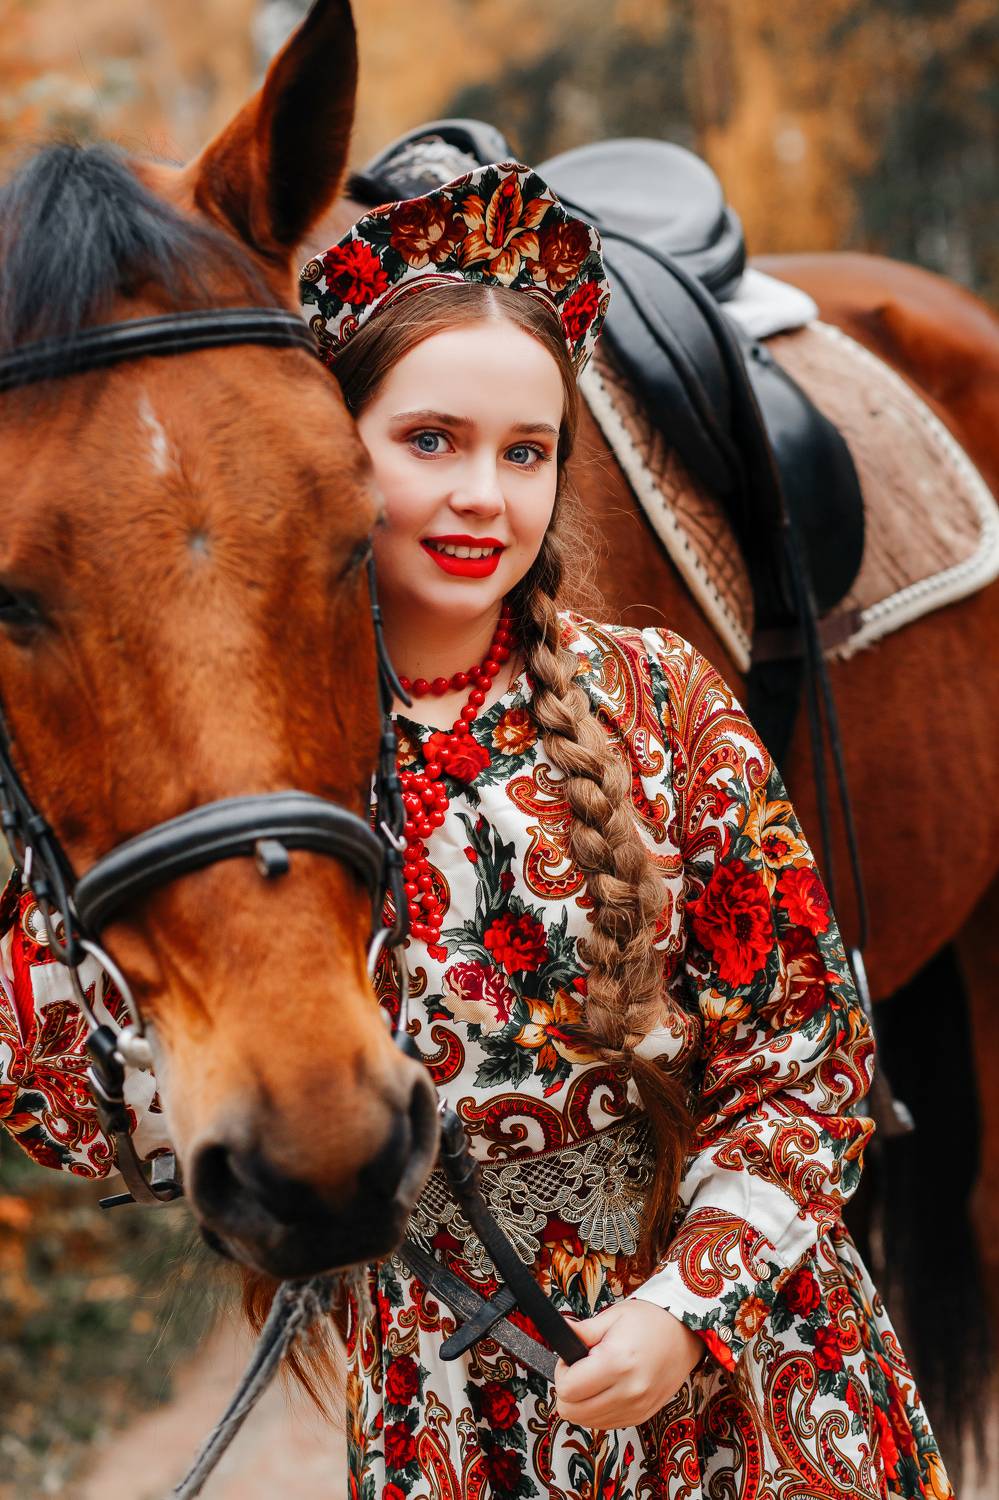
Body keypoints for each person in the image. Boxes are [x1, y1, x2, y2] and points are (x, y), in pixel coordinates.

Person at [0, 162, 952, 1500]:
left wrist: (688, 1308)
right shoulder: (263, 762)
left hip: (746, 1390)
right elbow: (72, 1098)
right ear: (339, 453)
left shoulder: (662, 702)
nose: (483, 498)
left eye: (527, 452)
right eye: (431, 441)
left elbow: (812, 1059)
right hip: (455, 1419)